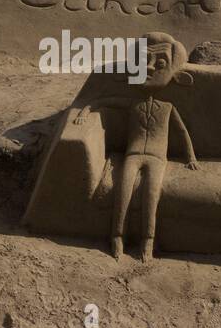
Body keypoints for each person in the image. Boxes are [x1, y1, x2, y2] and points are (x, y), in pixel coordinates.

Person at [73, 32, 198, 263]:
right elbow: (102, 101)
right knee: (123, 191)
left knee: (151, 196)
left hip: (157, 158)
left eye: (159, 63)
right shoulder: (133, 103)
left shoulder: (168, 107)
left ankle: (147, 242)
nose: (149, 68)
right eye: (142, 62)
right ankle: (117, 236)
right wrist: (83, 111)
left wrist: (190, 156)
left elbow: (182, 133)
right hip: (133, 154)